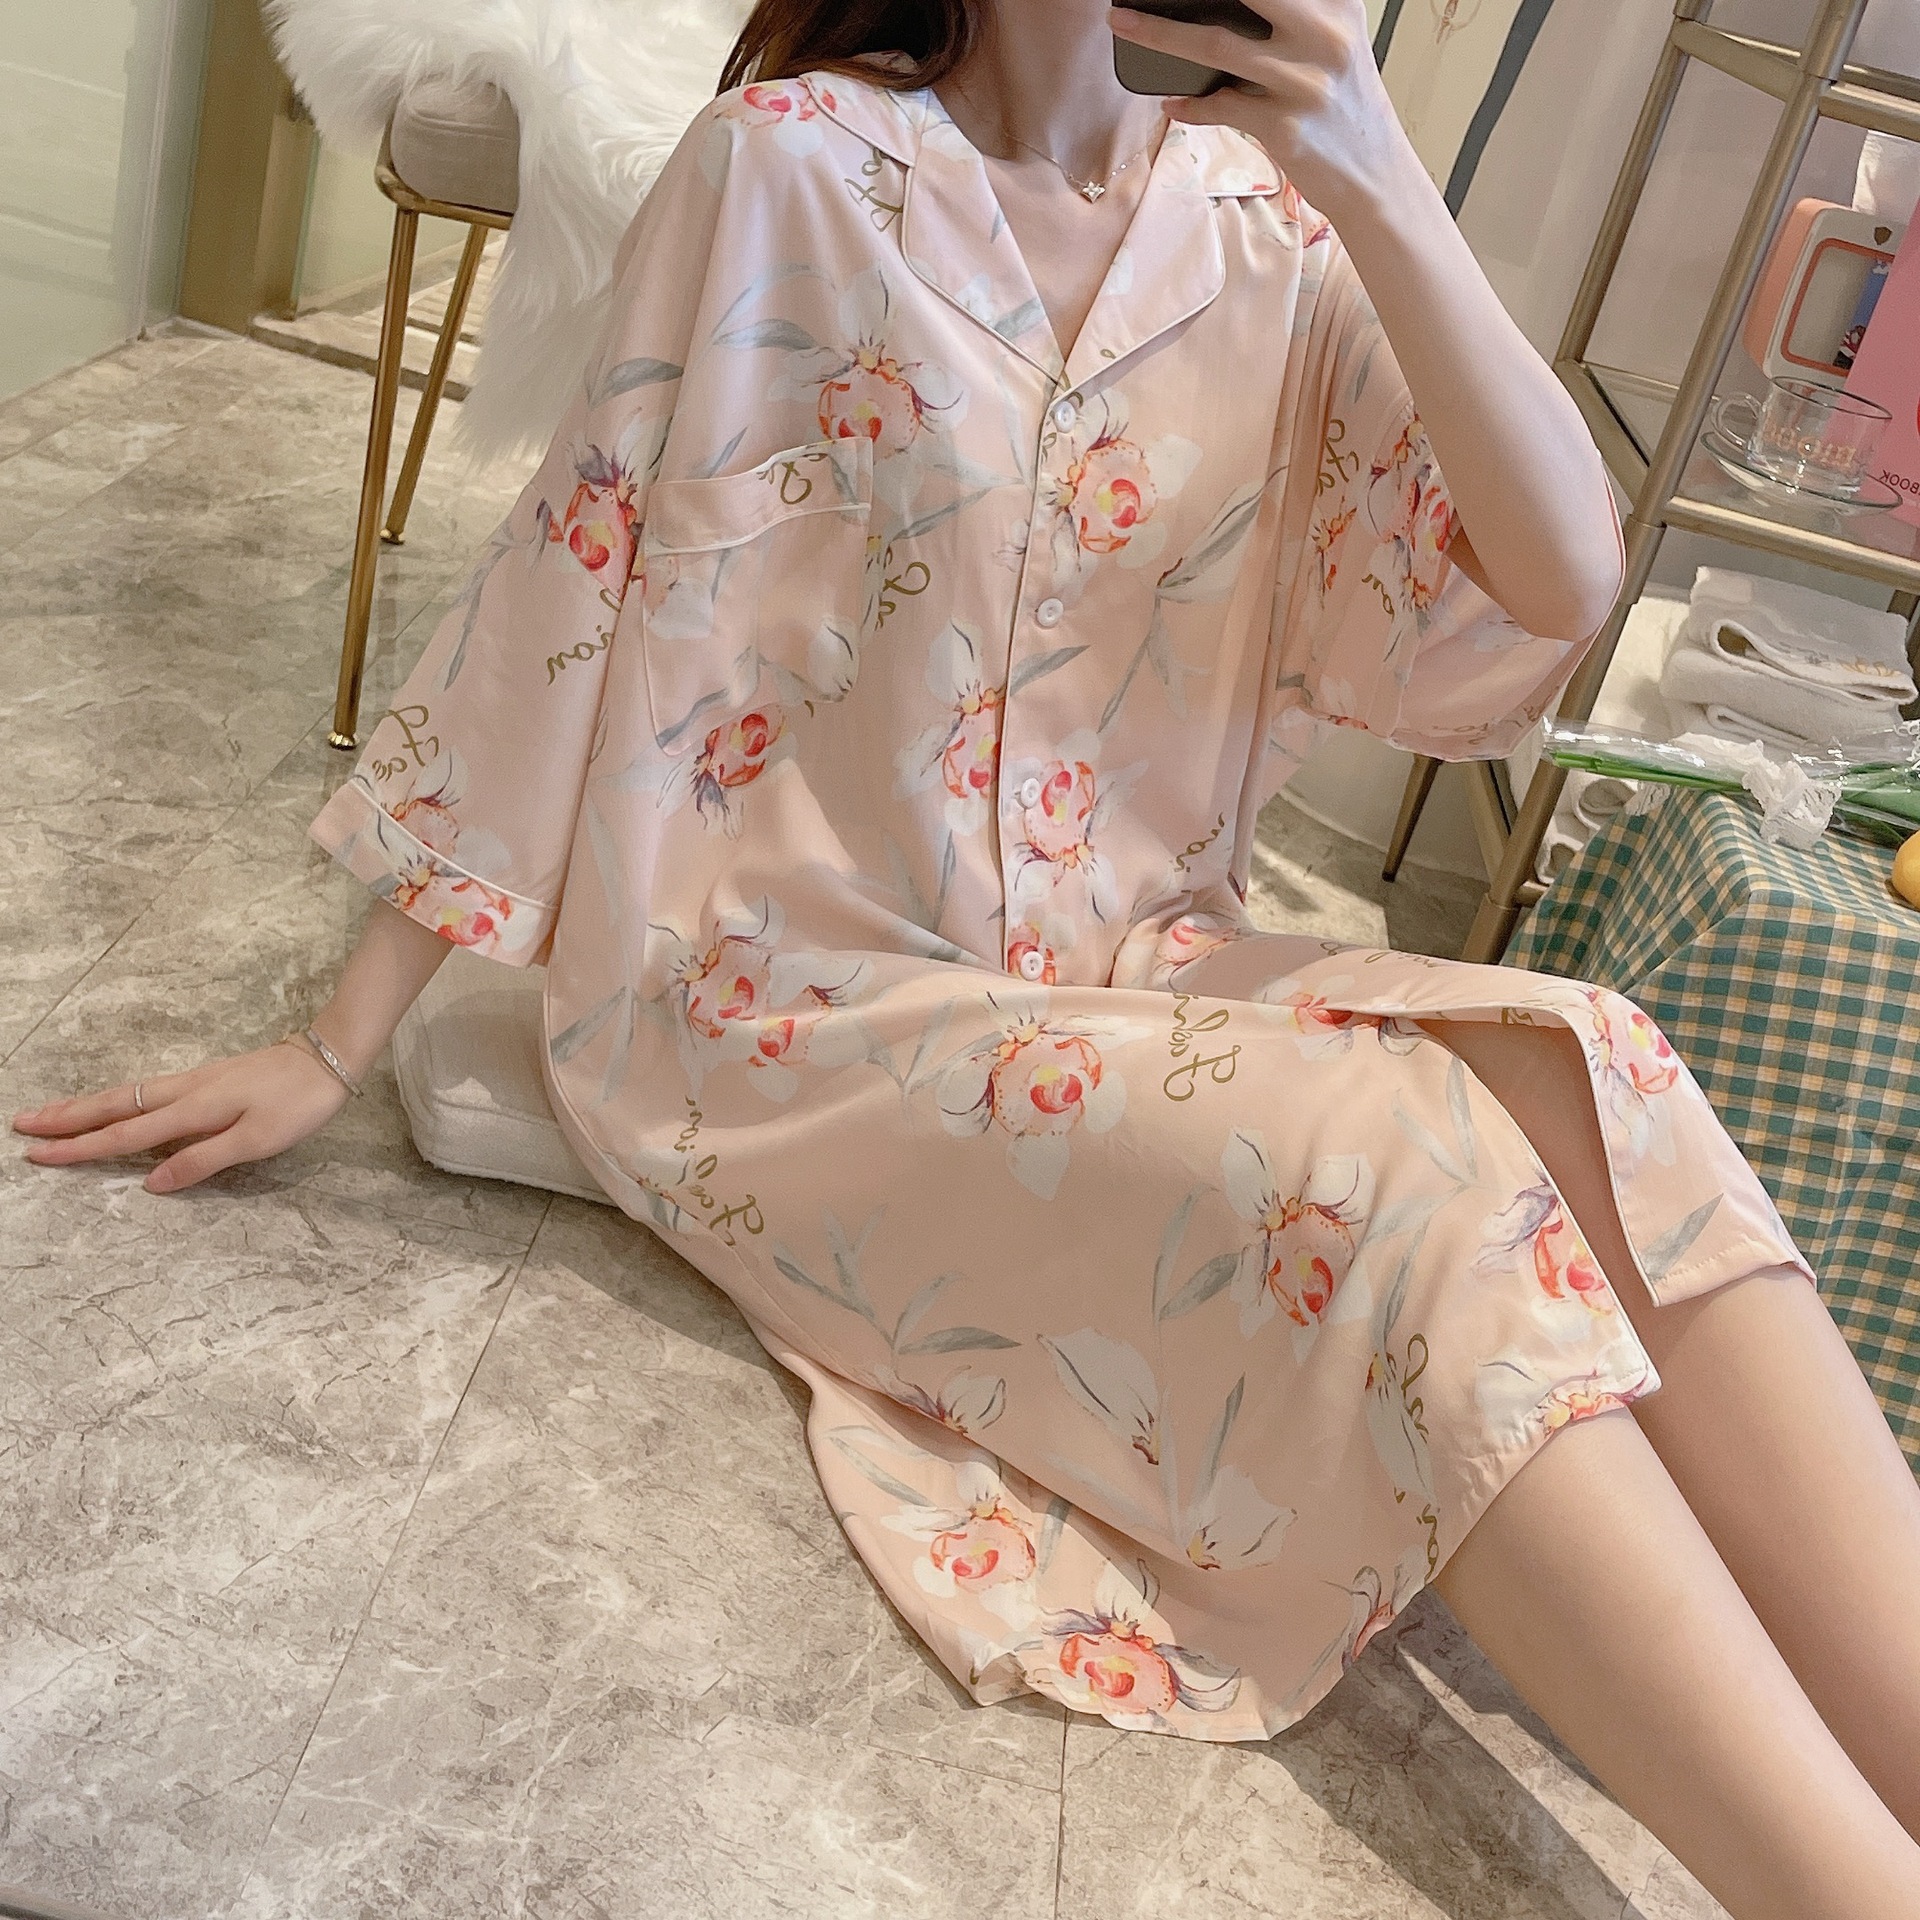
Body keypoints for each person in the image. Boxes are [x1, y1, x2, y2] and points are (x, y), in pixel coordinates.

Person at [15, 2, 1920, 1911]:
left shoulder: (1270, 225)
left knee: (1593, 1061)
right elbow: (572, 572)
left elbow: (1558, 584)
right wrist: (337, 1045)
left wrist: (1375, 170)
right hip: (795, 1000)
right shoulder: (789, 167)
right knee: (1393, 1182)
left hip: (1130, 957)